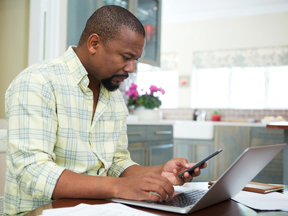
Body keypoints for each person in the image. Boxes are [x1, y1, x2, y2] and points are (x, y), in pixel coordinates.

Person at [4, 5, 206, 215]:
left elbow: (117, 163)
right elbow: (33, 171)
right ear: (94, 44)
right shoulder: (37, 82)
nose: (131, 69)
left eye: (135, 60)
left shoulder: (114, 99)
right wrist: (120, 187)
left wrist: (159, 172)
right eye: (126, 57)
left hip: (96, 209)